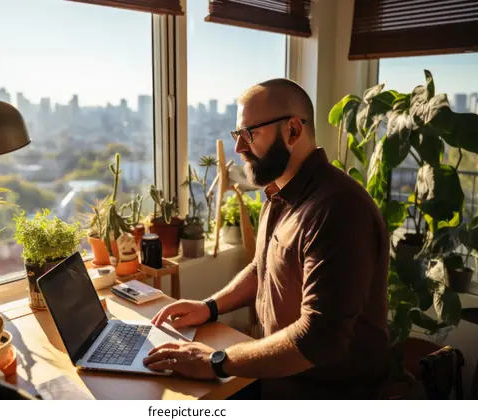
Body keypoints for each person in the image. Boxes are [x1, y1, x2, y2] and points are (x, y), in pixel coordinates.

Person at [143, 79, 391, 399]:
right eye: (238, 134)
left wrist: (215, 361)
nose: (239, 148)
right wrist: (209, 307)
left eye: (251, 133)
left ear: (292, 131)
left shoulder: (338, 209)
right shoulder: (277, 194)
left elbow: (317, 340)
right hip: (280, 383)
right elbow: (265, 268)